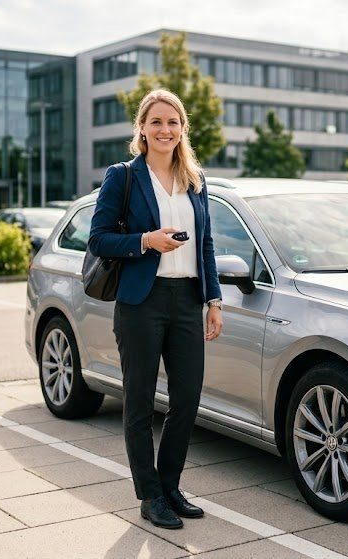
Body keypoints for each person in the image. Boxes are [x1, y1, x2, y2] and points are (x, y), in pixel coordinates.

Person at [87, 89, 223, 530]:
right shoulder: (123, 176)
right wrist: (146, 241)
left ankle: (171, 486)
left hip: (186, 300)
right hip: (140, 302)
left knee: (186, 399)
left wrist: (213, 300)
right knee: (141, 401)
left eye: (173, 122)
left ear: (183, 129)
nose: (165, 130)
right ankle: (149, 495)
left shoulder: (196, 180)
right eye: (157, 122)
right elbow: (99, 238)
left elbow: (205, 245)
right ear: (142, 129)